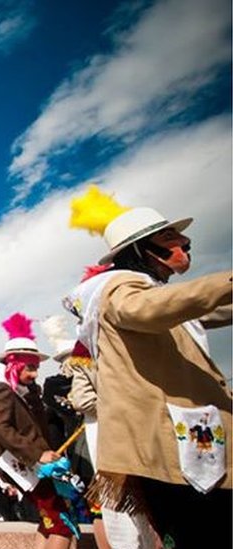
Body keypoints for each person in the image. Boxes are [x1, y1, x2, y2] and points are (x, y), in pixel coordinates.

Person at [67, 187, 232, 548]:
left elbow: (198, 307)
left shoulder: (152, 291)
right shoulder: (119, 289)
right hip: (167, 442)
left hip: (191, 436)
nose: (185, 244)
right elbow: (146, 308)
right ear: (141, 249)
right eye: (169, 239)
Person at [0, 312, 74, 549]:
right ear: (14, 363)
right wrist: (37, 455)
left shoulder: (23, 389)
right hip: (16, 460)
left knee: (50, 519)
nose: (34, 374)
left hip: (28, 460)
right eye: (29, 367)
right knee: (62, 524)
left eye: (36, 368)